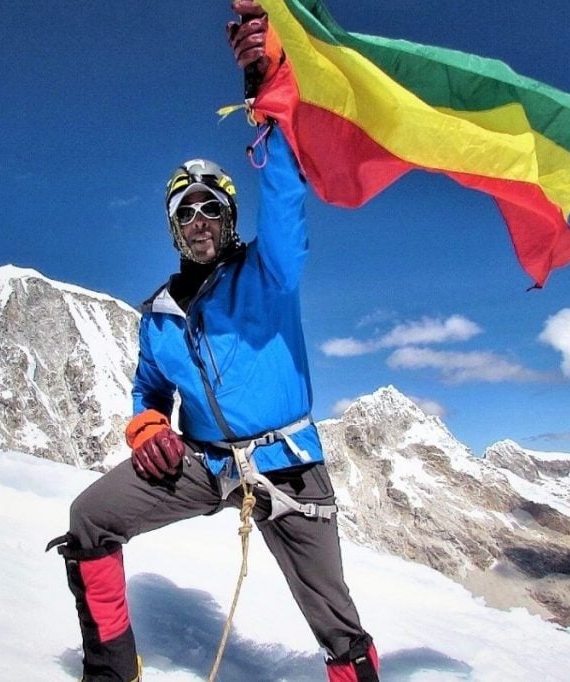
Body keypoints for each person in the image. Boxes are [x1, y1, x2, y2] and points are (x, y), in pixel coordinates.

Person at [47, 3, 380, 681]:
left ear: (229, 218)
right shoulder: (160, 314)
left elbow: (284, 196)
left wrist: (268, 92)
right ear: (174, 230)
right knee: (90, 521)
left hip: (286, 466)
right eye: (185, 211)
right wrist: (146, 428)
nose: (199, 218)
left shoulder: (269, 273)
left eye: (212, 206)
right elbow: (150, 389)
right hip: (202, 463)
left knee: (335, 621)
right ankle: (111, 672)